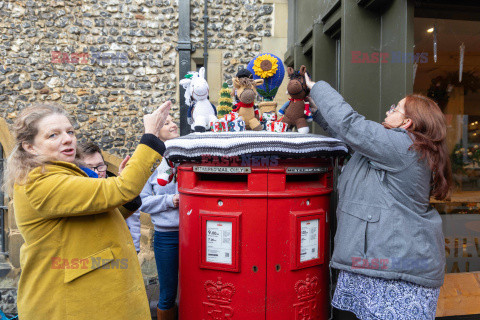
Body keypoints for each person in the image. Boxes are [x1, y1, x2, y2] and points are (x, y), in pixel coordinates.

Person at [4, 101, 171, 319]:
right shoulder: (40, 182)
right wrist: (150, 135)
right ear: (30, 147)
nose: (67, 139)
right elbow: (122, 189)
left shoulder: (65, 174)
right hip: (69, 304)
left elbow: (98, 218)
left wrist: (127, 196)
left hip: (94, 296)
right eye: (53, 135)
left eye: (70, 131)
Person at [305, 76, 451, 320]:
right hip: (377, 267)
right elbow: (350, 139)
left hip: (394, 273)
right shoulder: (397, 148)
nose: (388, 110)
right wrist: (316, 110)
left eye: (395, 108)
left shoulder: (403, 146)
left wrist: (316, 87)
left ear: (407, 123)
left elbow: (351, 126)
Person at [138, 115, 180, 320]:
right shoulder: (149, 163)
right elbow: (142, 201)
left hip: (198, 234)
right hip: (167, 237)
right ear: (155, 131)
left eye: (173, 121)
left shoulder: (188, 154)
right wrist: (170, 201)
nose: (173, 125)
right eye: (166, 123)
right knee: (168, 294)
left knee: (199, 287)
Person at [78, 141, 142, 251]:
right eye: (89, 168)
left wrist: (125, 182)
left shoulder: (114, 188)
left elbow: (133, 220)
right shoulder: (73, 197)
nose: (97, 172)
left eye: (100, 166)